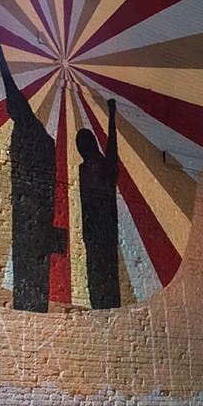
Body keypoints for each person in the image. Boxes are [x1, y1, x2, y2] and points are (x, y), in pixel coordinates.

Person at [0, 19, 65, 312]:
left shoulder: (32, 136)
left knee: (31, 273)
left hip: (32, 214)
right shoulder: (43, 140)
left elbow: (9, 84)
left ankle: (31, 305)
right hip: (33, 214)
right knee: (32, 275)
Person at [77, 98, 120, 309]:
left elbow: (112, 144)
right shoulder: (84, 169)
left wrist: (112, 115)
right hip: (95, 232)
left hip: (104, 230)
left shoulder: (105, 166)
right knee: (97, 274)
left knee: (106, 274)